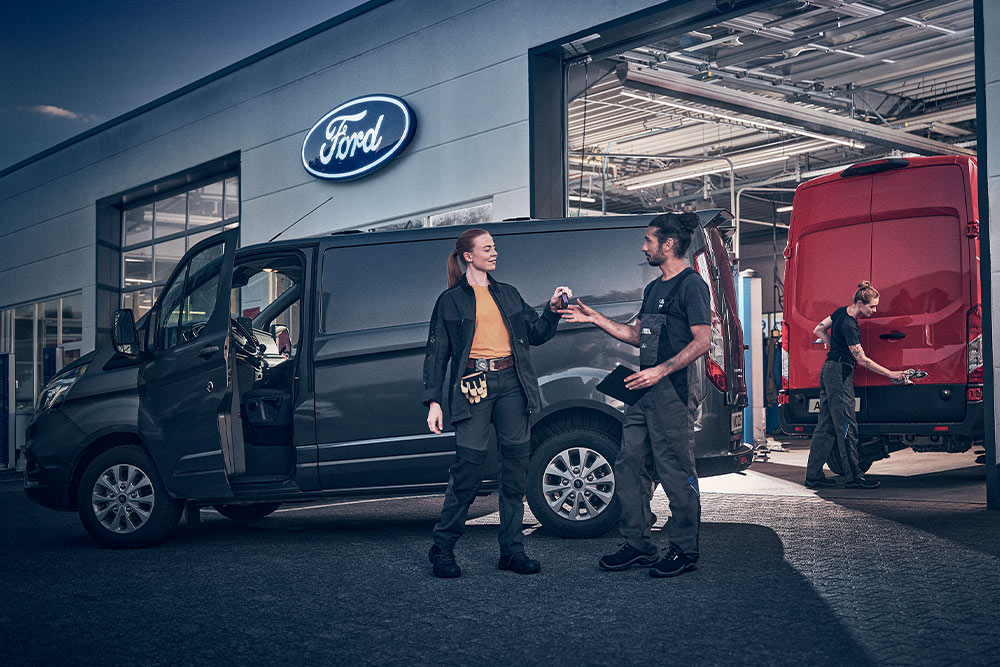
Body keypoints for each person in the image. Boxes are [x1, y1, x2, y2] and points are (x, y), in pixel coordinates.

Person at [561, 212, 711, 578]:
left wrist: (661, 370)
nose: (643, 246)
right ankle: (639, 545)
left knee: (675, 470)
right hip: (643, 392)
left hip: (672, 391)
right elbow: (636, 335)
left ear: (668, 244)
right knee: (629, 464)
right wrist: (595, 318)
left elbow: (703, 340)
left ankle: (684, 550)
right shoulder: (654, 289)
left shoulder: (691, 286)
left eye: (648, 240)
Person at [423, 228, 570, 578]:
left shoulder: (508, 294)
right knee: (468, 467)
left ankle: (512, 551)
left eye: (494, 247)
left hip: (511, 384)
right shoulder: (450, 301)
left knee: (515, 471)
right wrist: (433, 401)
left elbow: (536, 334)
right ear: (468, 256)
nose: (494, 253)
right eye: (487, 248)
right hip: (473, 383)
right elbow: (436, 354)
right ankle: (442, 548)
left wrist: (551, 311)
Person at [805, 282, 905, 490]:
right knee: (846, 426)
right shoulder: (850, 324)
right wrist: (891, 374)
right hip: (840, 373)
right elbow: (863, 360)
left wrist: (834, 347)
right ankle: (854, 478)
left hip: (829, 370)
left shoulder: (840, 312)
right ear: (860, 303)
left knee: (826, 425)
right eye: (872, 307)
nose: (874, 310)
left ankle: (813, 476)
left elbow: (819, 329)